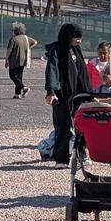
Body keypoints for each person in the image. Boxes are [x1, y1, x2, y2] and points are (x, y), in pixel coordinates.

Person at [45, 24, 91, 165]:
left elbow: (82, 72)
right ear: (68, 36)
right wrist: (51, 90)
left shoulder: (76, 50)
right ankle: (61, 159)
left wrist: (88, 92)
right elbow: (52, 70)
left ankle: (82, 154)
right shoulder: (57, 49)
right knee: (62, 125)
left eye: (80, 38)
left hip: (78, 94)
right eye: (76, 37)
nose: (79, 41)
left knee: (81, 125)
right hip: (62, 94)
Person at [5, 23, 37, 100]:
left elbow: (9, 50)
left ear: (15, 31)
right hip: (23, 60)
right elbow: (35, 42)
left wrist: (6, 59)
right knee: (19, 76)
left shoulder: (13, 39)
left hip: (14, 60)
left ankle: (24, 88)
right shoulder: (26, 38)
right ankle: (17, 94)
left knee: (12, 75)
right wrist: (28, 47)